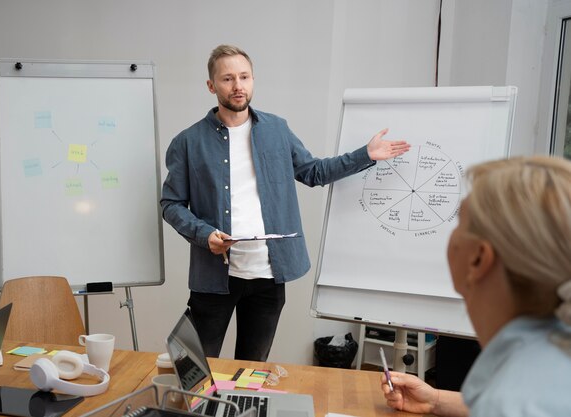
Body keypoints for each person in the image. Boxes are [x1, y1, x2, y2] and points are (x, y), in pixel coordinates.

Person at [160, 44, 410, 361]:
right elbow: (171, 203)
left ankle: (240, 412)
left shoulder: (277, 130)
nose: (237, 86)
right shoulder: (188, 141)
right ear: (212, 86)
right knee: (195, 367)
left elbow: (313, 171)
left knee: (252, 370)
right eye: (227, 79)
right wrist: (203, 233)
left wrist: (366, 154)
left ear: (252, 80)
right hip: (214, 278)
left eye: (244, 77)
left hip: (267, 279)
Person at [381, 155, 571, 416]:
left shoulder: (511, 402)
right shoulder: (550, 356)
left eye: (459, 221)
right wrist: (435, 400)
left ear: (479, 259)